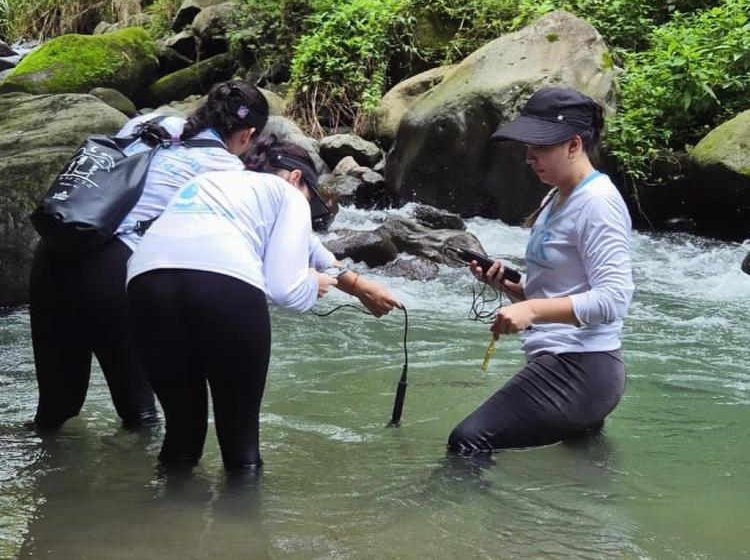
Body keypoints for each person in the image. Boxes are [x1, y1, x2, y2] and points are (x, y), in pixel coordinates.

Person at [126, 136, 401, 472]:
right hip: (222, 286)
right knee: (241, 448)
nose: (308, 209)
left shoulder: (213, 183)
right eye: (310, 201)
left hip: (145, 283)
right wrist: (312, 285)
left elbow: (309, 246)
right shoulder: (288, 194)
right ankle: (243, 522)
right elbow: (285, 290)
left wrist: (357, 286)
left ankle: (165, 520)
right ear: (297, 178)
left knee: (182, 435)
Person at [29, 81, 269, 429]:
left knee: (55, 410)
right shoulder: (227, 172)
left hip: (56, 248)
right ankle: (142, 483)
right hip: (112, 271)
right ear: (247, 135)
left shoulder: (152, 122)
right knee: (139, 416)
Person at [448, 87, 634, 454]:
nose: (530, 157)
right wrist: (514, 289)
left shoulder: (598, 203)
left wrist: (530, 310)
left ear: (574, 145)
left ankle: (456, 514)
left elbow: (614, 298)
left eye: (541, 146)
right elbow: (558, 291)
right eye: (527, 147)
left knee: (468, 441)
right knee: (577, 483)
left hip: (582, 367)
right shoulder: (557, 195)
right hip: (571, 365)